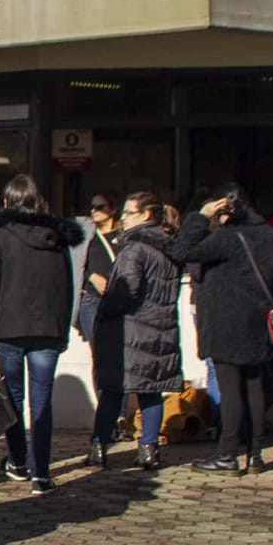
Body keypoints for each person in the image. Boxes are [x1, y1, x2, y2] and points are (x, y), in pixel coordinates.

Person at [0, 176, 80, 492]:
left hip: (9, 329)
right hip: (47, 329)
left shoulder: (1, 236)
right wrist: (62, 329)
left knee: (12, 399)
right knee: (41, 401)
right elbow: (65, 287)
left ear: (7, 203)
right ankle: (41, 473)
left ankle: (17, 461)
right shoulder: (56, 236)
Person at [171, 184, 273, 475]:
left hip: (227, 323)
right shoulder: (269, 236)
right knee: (255, 387)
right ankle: (255, 454)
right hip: (259, 321)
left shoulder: (228, 238)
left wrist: (199, 216)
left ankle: (227, 455)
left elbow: (181, 250)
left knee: (231, 390)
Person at [89, 192, 182, 470]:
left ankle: (99, 447)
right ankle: (149, 450)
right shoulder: (169, 248)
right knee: (151, 391)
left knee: (113, 390)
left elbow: (124, 291)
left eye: (129, 213)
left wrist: (104, 311)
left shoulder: (134, 248)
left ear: (145, 215)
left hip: (130, 332)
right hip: (161, 329)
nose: (124, 219)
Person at [77, 194, 122, 343]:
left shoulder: (123, 236)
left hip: (118, 296)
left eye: (100, 207)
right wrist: (91, 277)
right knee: (98, 347)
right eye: (92, 207)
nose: (94, 210)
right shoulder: (86, 237)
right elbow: (75, 265)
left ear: (113, 209)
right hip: (91, 298)